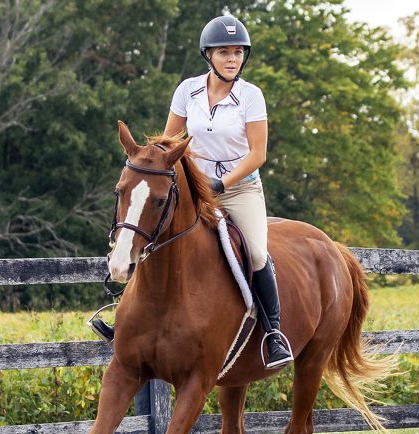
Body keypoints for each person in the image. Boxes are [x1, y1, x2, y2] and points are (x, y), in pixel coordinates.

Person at [93, 15, 293, 369]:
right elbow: (168, 142)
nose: (232, 59)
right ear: (208, 55)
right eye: (224, 53)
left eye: (237, 53)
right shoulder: (188, 90)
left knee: (258, 253)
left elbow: (258, 154)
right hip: (195, 187)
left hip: (239, 189)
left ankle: (273, 334)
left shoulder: (251, 96)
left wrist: (222, 182)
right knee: (154, 234)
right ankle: (124, 318)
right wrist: (147, 163)